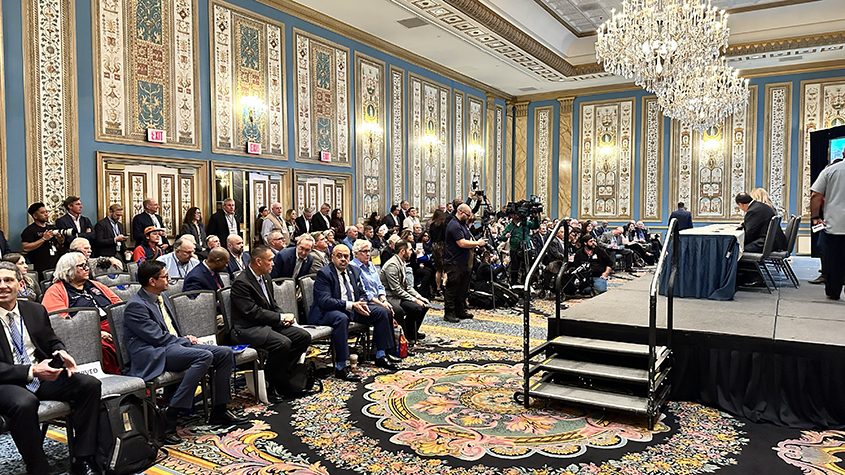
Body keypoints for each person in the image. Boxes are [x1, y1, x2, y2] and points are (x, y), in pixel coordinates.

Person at [124, 260, 245, 442]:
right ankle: (172, 412)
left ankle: (219, 409)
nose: (169, 280)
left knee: (224, 353)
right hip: (154, 352)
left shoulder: (161, 297)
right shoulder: (136, 306)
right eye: (165, 277)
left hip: (173, 345)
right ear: (152, 281)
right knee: (204, 356)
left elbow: (169, 329)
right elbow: (157, 337)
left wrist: (183, 339)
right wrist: (184, 340)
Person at [0, 261, 102, 475]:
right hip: (6, 382)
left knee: (89, 385)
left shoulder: (35, 309)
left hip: (40, 375)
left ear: (20, 284)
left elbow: (51, 340)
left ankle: (83, 458)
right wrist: (32, 371)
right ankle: (38, 467)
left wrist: (60, 351)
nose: (2, 286)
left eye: (8, 280)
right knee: (26, 402)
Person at [230, 245, 312, 402]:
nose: (273, 263)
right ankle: (272, 383)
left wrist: (285, 317)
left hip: (266, 324)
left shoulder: (266, 277)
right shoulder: (242, 282)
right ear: (258, 261)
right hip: (247, 328)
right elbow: (252, 312)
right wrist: (280, 318)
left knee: (303, 336)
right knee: (282, 343)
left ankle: (280, 377)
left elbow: (272, 305)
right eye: (270, 260)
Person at [308, 244, 396, 382]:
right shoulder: (324, 273)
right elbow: (324, 301)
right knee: (341, 318)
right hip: (327, 312)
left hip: (352, 307)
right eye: (339, 256)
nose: (343, 259)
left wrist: (361, 302)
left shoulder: (354, 270)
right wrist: (351, 305)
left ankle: (380, 355)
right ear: (332, 257)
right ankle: (341, 367)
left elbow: (361, 292)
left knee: (382, 312)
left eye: (346, 256)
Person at [41, 252, 121, 374]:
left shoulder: (96, 285)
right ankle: (116, 378)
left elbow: (117, 304)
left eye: (87, 264)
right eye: (82, 266)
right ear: (69, 270)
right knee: (105, 348)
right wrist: (96, 332)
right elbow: (61, 323)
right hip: (87, 332)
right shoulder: (55, 291)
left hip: (112, 325)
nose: (87, 268)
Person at [443, 204, 487, 323]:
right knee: (453, 287)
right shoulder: (454, 225)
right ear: (461, 212)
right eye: (467, 215)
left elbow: (467, 239)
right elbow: (461, 243)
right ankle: (449, 312)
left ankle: (460, 310)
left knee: (462, 288)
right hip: (453, 261)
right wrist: (477, 243)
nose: (468, 217)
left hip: (463, 261)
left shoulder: (462, 225)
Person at [810, 156, 845, 300]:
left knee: (833, 261)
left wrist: (815, 217)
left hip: (835, 224)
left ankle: (833, 291)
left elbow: (815, 195)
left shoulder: (831, 170)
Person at [380, 239, 429, 342]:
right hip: (390, 296)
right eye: (410, 250)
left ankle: (411, 332)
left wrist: (419, 297)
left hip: (398, 295)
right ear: (402, 251)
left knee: (424, 305)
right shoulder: (392, 265)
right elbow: (396, 290)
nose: (412, 252)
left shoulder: (401, 262)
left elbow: (407, 286)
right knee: (413, 308)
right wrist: (415, 300)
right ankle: (404, 336)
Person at [349, 240, 396, 336]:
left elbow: (379, 285)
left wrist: (384, 300)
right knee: (385, 312)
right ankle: (383, 348)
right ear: (356, 253)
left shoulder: (371, 265)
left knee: (393, 309)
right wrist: (381, 304)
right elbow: (365, 292)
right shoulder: (353, 267)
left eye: (369, 251)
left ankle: (393, 345)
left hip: (378, 300)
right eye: (364, 251)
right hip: (365, 302)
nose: (368, 254)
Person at [21, 202, 66, 277]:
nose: (46, 214)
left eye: (46, 212)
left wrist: (60, 239)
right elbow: (26, 247)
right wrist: (43, 238)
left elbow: (60, 244)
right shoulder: (29, 230)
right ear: (35, 216)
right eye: (42, 213)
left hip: (56, 262)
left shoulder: (52, 228)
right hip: (40, 265)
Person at [502, 212, 539, 286]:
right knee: (515, 268)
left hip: (526, 248)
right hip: (515, 249)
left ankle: (528, 283)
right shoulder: (510, 226)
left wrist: (535, 217)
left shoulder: (526, 223)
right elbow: (502, 237)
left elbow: (535, 226)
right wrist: (506, 236)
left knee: (527, 267)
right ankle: (514, 284)